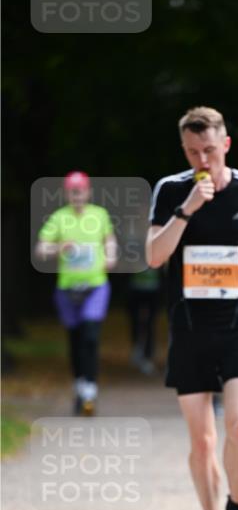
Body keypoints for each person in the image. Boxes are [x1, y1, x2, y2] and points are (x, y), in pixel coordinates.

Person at [146, 106, 238, 510]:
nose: (202, 158)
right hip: (189, 327)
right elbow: (156, 256)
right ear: (185, 150)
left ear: (226, 145)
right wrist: (187, 210)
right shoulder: (171, 190)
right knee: (201, 440)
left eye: (209, 149)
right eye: (192, 151)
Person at [35, 171, 117, 415]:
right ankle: (80, 386)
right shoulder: (59, 218)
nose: (77, 194)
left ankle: (90, 390)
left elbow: (109, 239)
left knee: (91, 336)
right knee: (75, 340)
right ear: (67, 193)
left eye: (81, 190)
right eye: (73, 190)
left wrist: (111, 256)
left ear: (88, 191)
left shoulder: (99, 214)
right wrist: (59, 247)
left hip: (96, 286)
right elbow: (41, 249)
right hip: (67, 289)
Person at [127, 266, 161, 375]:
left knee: (150, 324)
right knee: (136, 322)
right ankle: (137, 348)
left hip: (153, 289)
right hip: (135, 288)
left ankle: (147, 356)